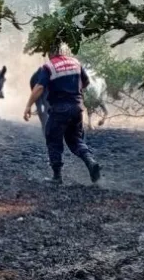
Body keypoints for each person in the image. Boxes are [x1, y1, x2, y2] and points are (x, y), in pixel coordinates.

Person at [23, 42, 102, 184]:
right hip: (77, 108)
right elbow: (86, 81)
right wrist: (75, 91)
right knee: (76, 140)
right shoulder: (75, 62)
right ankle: (90, 161)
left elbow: (39, 87)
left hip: (59, 109)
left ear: (50, 53)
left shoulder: (49, 66)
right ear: (63, 51)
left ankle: (57, 177)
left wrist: (28, 105)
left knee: (53, 138)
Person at [29, 66, 50, 135]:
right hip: (38, 84)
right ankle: (45, 128)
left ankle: (45, 128)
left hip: (39, 84)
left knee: (43, 106)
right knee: (43, 105)